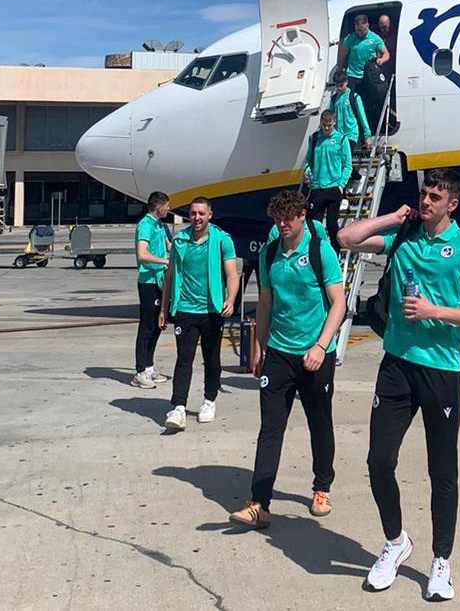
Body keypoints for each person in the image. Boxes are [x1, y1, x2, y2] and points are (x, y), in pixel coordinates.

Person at [337, 169, 460, 602]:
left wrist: (434, 311)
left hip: (441, 371)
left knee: (441, 471)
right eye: (424, 194)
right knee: (378, 461)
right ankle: (395, 542)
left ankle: (441, 560)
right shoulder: (404, 236)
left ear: (452, 205)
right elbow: (346, 238)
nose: (426, 201)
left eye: (435, 197)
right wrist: (393, 217)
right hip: (396, 366)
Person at [229, 191, 346, 529]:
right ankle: (259, 503)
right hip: (279, 352)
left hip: (315, 354)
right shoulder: (269, 254)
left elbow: (338, 303)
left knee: (319, 423)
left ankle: (322, 487)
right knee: (270, 428)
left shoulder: (319, 250)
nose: (282, 225)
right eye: (277, 219)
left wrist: (321, 346)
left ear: (302, 217)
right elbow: (265, 303)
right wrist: (260, 346)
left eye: (288, 219)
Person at [158, 197, 240, 430]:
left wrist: (230, 299)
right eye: (193, 213)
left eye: (201, 213)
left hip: (212, 310)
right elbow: (170, 276)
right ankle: (178, 407)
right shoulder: (180, 240)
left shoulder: (222, 240)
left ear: (210, 215)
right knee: (184, 359)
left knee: (211, 358)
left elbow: (232, 274)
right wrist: (164, 308)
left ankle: (209, 400)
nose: (197, 218)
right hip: (185, 309)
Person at [133, 191, 171, 389]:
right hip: (148, 281)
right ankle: (140, 371)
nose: (169, 209)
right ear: (159, 206)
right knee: (147, 326)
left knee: (158, 325)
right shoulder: (146, 225)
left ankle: (149, 367)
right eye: (167, 205)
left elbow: (169, 246)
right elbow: (142, 254)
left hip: (160, 280)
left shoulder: (160, 225)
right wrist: (164, 261)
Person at [304, 109, 351, 252]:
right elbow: (308, 161)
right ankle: (317, 251)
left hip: (334, 187)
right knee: (314, 224)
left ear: (334, 123)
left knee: (331, 224)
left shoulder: (341, 139)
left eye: (329, 125)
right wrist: (308, 173)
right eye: (324, 125)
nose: (326, 128)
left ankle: (335, 252)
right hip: (317, 187)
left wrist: (341, 184)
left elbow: (347, 165)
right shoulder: (314, 138)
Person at [337, 14, 390, 134]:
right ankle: (356, 131)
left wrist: (381, 60)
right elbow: (342, 55)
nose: (359, 33)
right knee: (351, 103)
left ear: (367, 25)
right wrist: (340, 69)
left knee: (369, 103)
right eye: (357, 30)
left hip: (368, 75)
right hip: (352, 75)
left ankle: (371, 129)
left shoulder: (375, 38)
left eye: (362, 30)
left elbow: (386, 54)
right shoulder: (350, 38)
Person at [331, 72, 371, 157]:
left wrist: (367, 135)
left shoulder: (354, 97)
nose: (339, 88)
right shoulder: (334, 99)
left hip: (351, 134)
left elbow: (363, 117)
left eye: (341, 85)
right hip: (338, 135)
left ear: (346, 82)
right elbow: (331, 118)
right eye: (337, 86)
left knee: (346, 157)